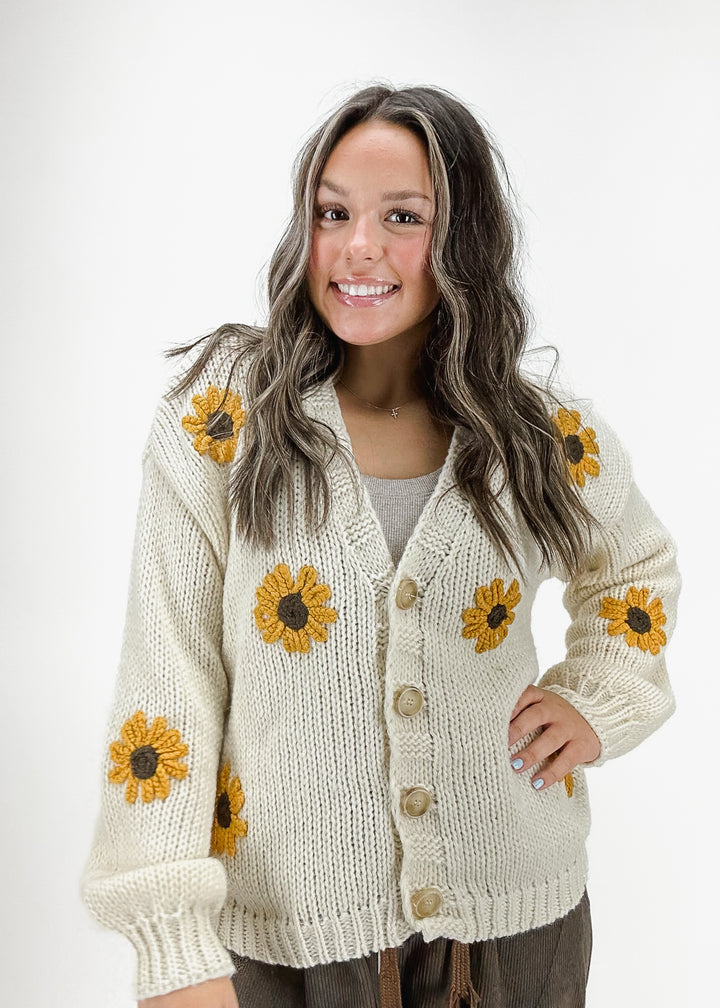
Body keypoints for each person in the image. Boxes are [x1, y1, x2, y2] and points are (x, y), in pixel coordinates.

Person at [82, 84, 679, 1008]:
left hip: (517, 928)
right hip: (282, 941)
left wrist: (601, 695)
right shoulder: (221, 421)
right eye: (333, 213)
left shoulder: (535, 433)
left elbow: (635, 569)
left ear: (465, 241)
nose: (359, 247)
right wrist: (171, 946)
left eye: (404, 216)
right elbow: (169, 682)